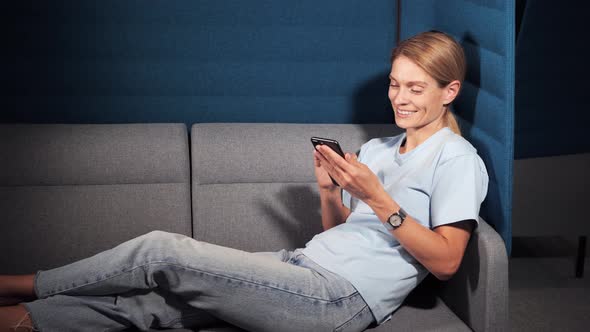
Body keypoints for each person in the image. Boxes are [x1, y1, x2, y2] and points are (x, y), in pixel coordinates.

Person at [0, 30, 488, 332]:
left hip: (338, 300)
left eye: (415, 88)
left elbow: (446, 262)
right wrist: (327, 190)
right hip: (302, 266)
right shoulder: (380, 150)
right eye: (394, 83)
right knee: (159, 303)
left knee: (162, 251)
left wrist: (379, 198)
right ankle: (25, 321)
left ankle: (17, 285)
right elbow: (336, 233)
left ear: (450, 91)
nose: (398, 98)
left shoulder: (456, 159)